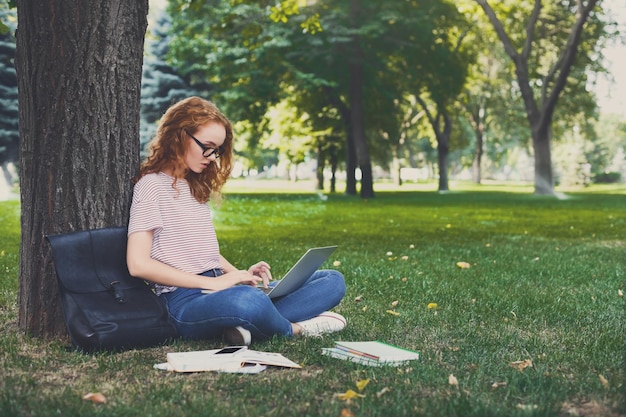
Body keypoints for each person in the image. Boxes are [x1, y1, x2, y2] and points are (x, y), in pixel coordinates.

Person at [126, 96, 346, 346]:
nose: (211, 156)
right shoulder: (151, 186)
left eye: (217, 150)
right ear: (179, 135)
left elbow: (202, 252)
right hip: (183, 300)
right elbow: (138, 264)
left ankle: (240, 325)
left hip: (220, 287)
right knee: (248, 301)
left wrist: (238, 274)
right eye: (207, 146)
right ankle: (295, 329)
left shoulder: (196, 187)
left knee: (332, 281)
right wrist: (215, 283)